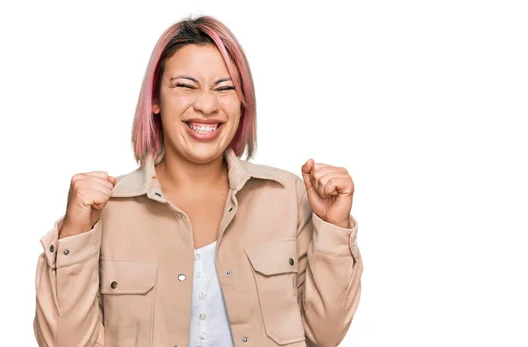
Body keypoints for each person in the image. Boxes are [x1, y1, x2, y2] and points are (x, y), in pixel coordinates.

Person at [33, 15, 363, 347]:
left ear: (242, 103)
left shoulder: (287, 197)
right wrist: (75, 234)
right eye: (186, 86)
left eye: (225, 88)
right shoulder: (103, 211)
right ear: (155, 100)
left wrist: (333, 225)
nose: (207, 105)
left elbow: (324, 336)